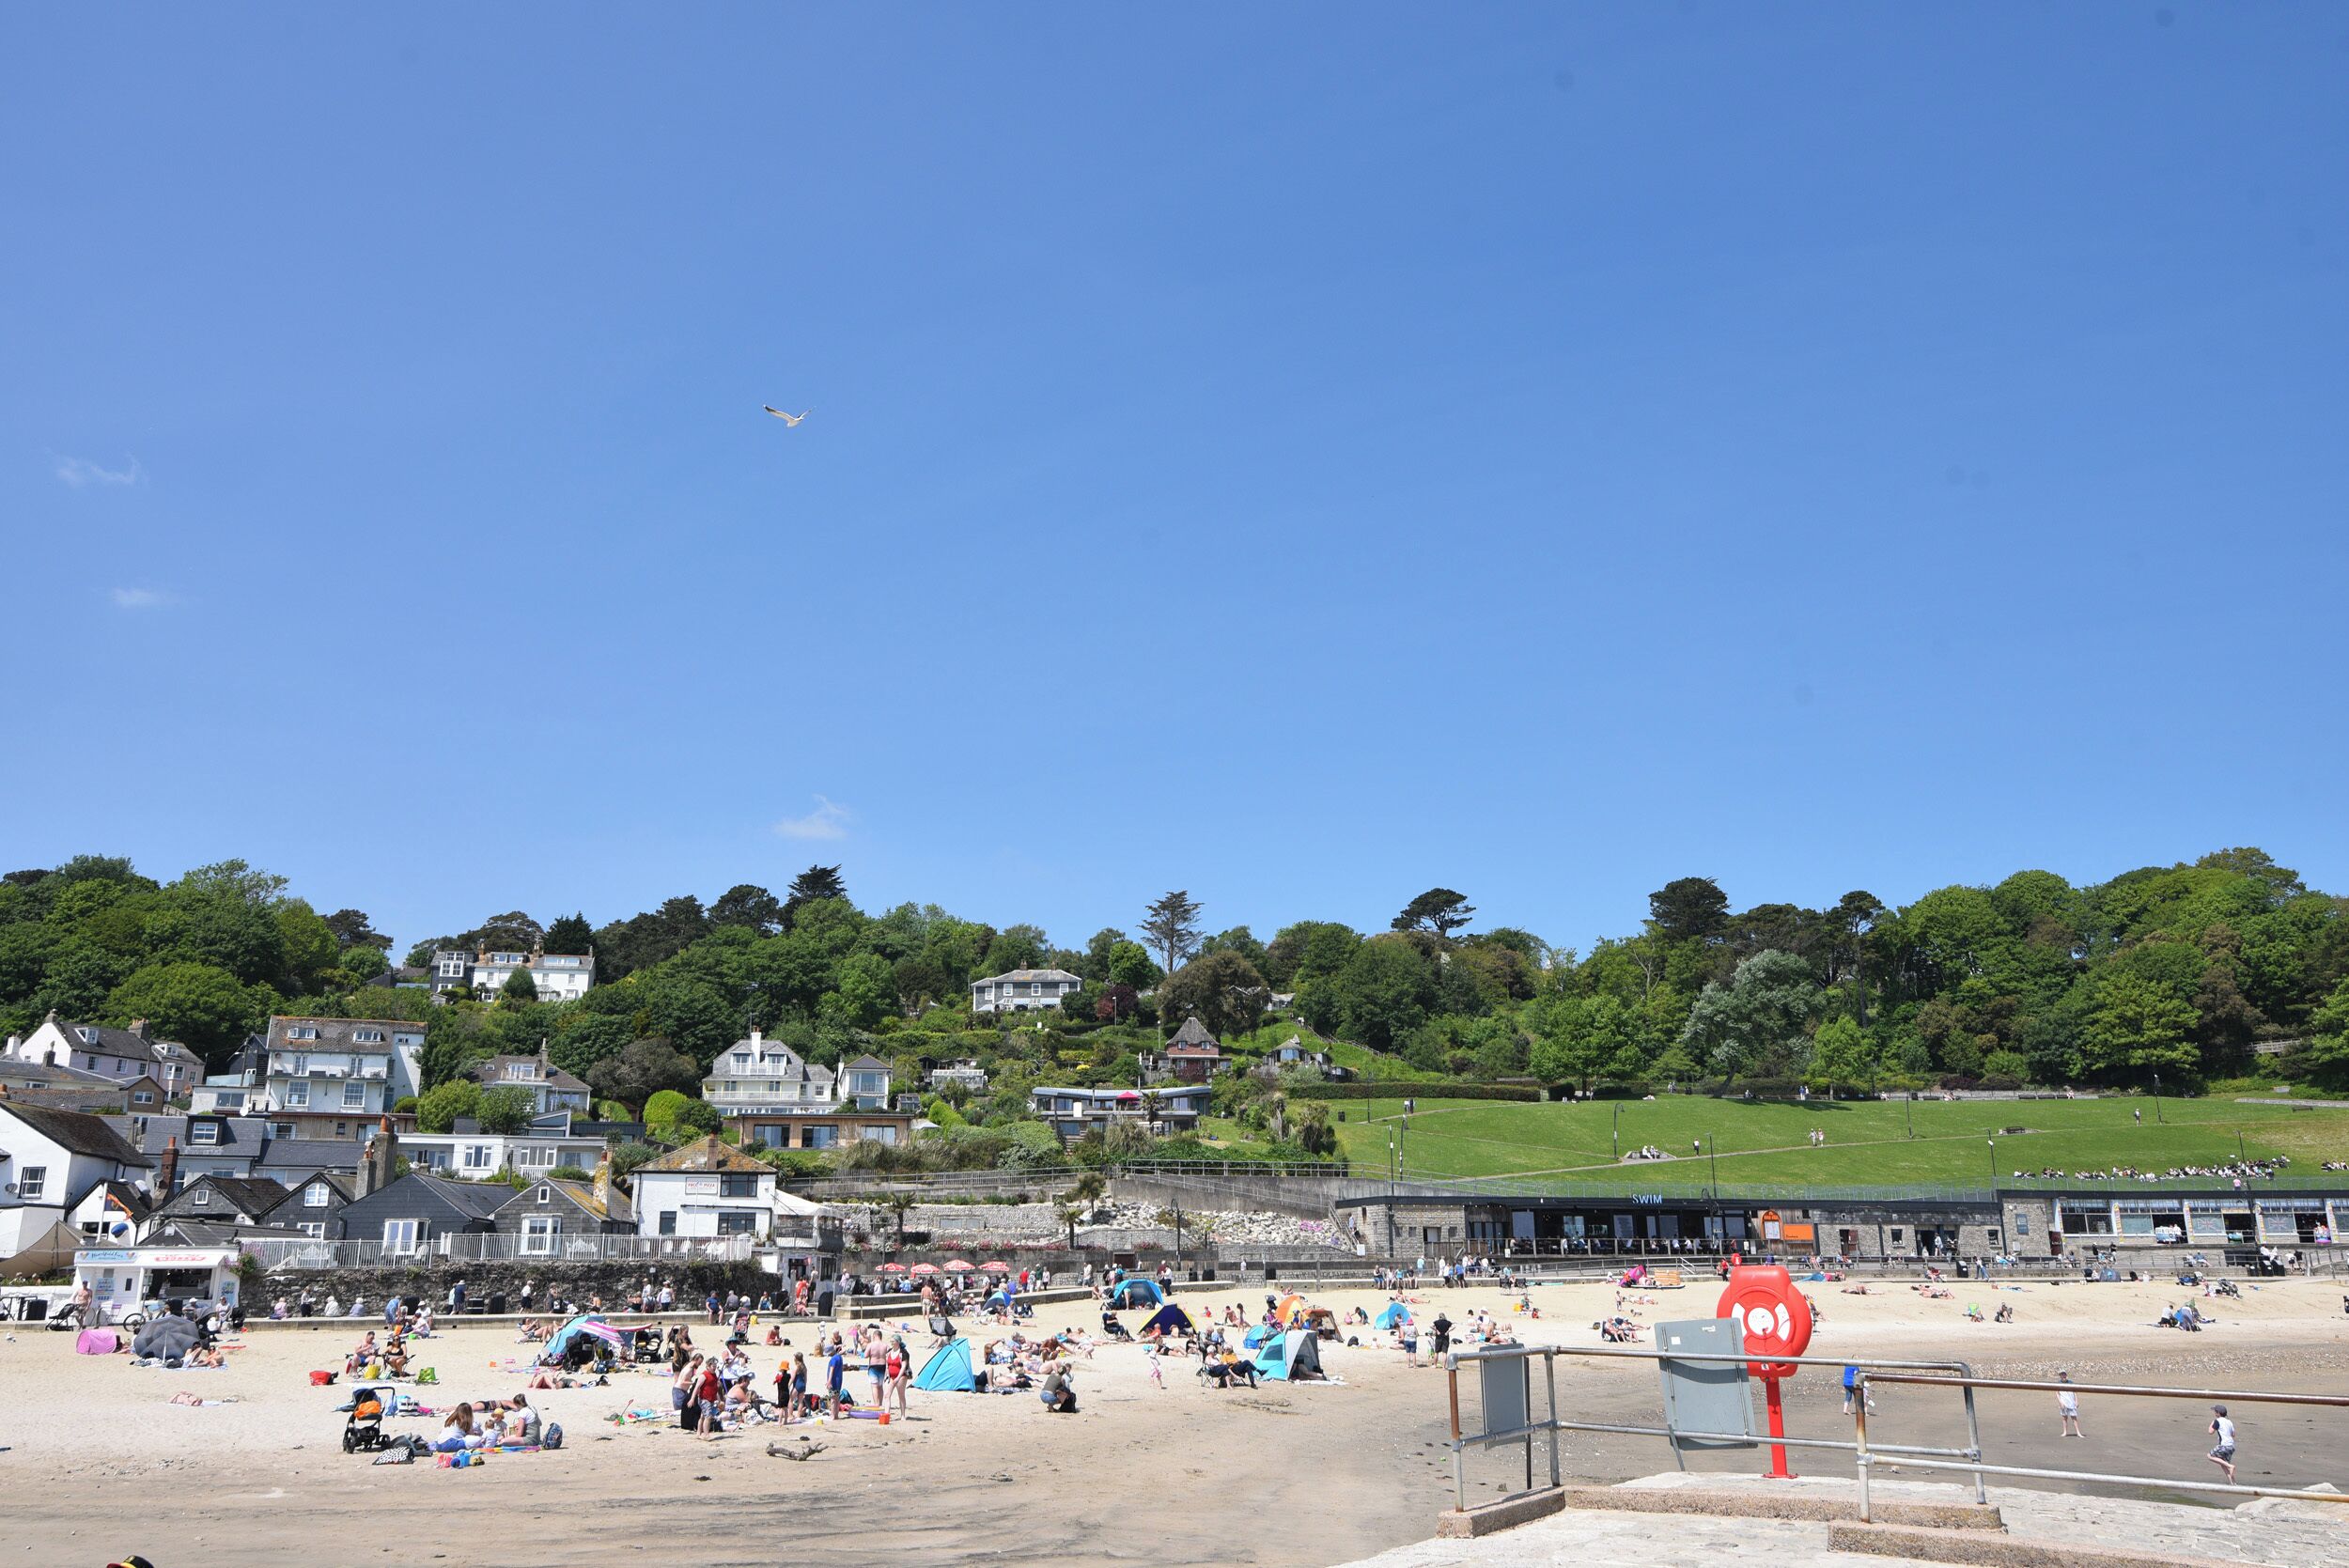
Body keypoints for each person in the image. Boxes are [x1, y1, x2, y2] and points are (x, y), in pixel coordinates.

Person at [2207, 1405, 2236, 1482]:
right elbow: (2233, 1434)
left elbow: (2210, 1432)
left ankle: (2230, 1466)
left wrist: (2212, 1423)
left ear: (2218, 1413)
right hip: (2231, 1446)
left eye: (2215, 1412)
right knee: (2223, 1464)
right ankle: (2233, 1483)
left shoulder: (2217, 1421)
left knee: (2210, 1456)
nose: (2214, 1413)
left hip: (2224, 1445)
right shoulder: (2229, 1421)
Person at [2057, 1372, 2082, 1438]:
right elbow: (2057, 1393)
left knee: (2074, 1418)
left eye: (2064, 1374)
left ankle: (2078, 1432)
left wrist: (2076, 1401)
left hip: (2071, 1403)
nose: (2063, 1376)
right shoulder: (2058, 1383)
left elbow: (2075, 1392)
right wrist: (2060, 1403)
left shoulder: (2071, 1382)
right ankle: (2065, 1432)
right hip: (2064, 1403)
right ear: (2060, 1376)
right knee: (2064, 1418)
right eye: (2062, 1375)